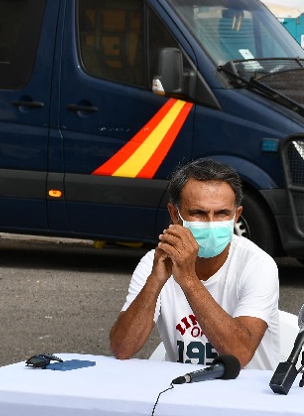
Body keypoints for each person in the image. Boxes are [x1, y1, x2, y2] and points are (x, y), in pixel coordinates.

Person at [109, 158, 280, 369]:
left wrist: (188, 279)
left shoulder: (258, 265)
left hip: (246, 397)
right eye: (198, 213)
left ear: (236, 216)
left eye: (221, 214)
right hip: (181, 392)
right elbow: (122, 348)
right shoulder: (154, 263)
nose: (210, 223)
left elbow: (239, 353)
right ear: (175, 215)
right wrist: (155, 281)